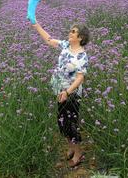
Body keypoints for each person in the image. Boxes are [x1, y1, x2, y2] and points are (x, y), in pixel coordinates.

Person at [32, 22, 89, 168]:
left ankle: (78, 153)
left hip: (71, 93)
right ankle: (70, 147)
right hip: (59, 90)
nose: (70, 33)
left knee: (71, 124)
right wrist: (37, 26)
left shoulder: (82, 55)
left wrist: (67, 92)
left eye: (73, 31)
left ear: (80, 37)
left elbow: (80, 78)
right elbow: (49, 40)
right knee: (62, 122)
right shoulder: (65, 46)